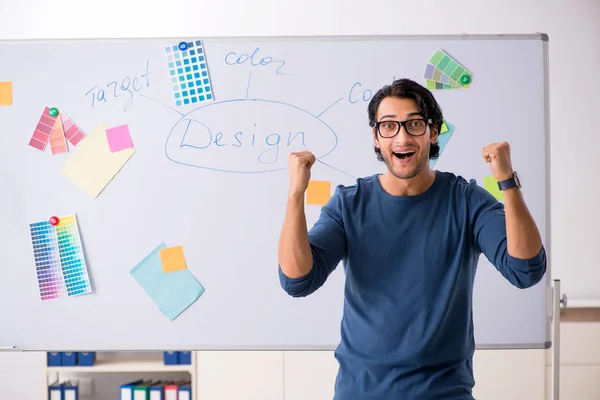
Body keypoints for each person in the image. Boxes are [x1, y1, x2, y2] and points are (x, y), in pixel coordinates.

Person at [277, 78, 547, 400]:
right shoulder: (348, 204)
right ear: (376, 138)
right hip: (360, 393)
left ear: (434, 133)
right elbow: (297, 280)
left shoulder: (466, 200)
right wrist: (296, 194)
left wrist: (506, 180)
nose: (402, 137)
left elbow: (525, 269)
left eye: (414, 124)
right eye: (389, 126)